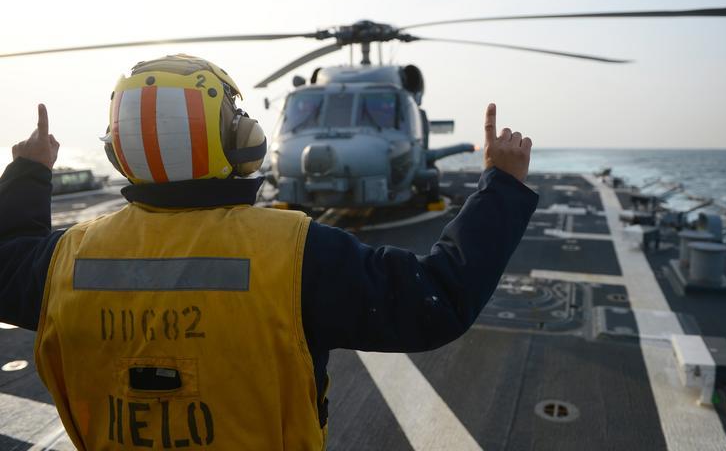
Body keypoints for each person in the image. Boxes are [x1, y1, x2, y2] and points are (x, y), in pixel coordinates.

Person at [0, 55, 537, 450]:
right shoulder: (295, 252)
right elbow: (436, 299)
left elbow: (7, 262)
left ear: (119, 152)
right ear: (238, 139)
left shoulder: (63, 261)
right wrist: (502, 187)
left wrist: (28, 172)